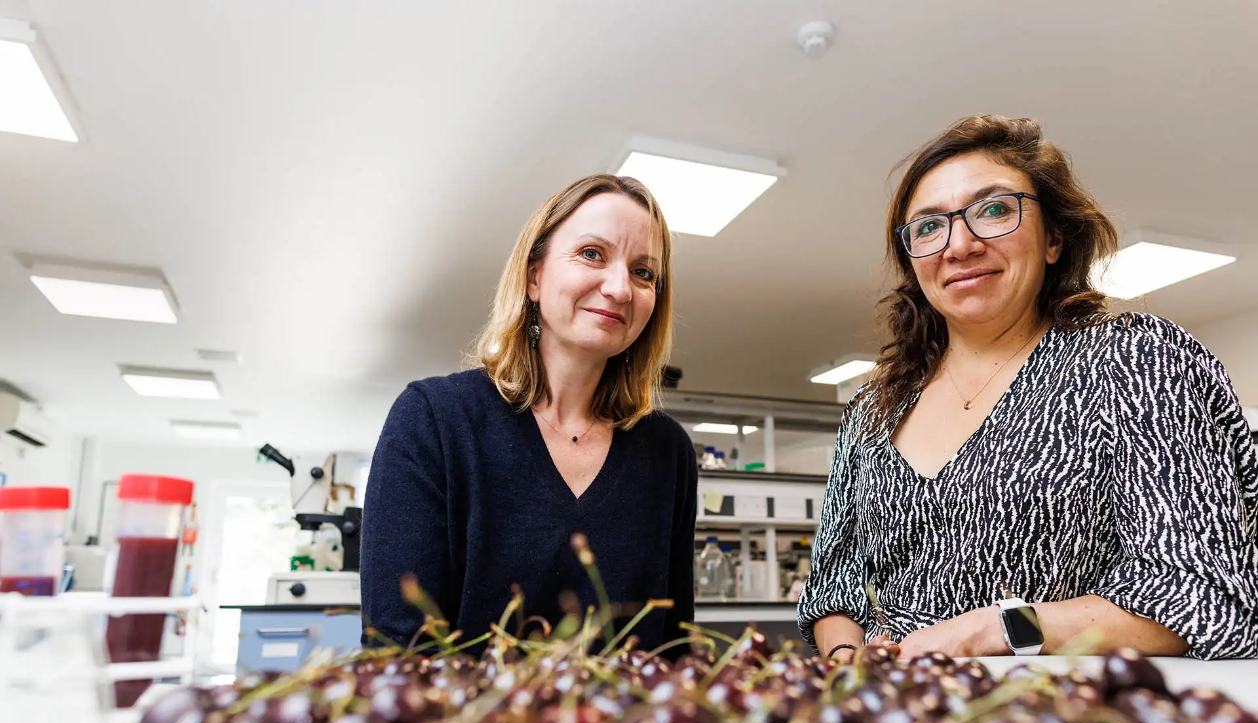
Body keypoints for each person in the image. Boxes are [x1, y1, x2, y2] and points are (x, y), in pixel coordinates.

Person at [799, 115, 1258, 662]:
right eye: (928, 227)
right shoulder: (872, 410)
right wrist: (846, 660)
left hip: (1070, 722)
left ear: (1055, 238)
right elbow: (832, 583)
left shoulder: (1137, 360)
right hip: (902, 716)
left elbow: (1208, 595)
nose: (960, 245)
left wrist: (1005, 627)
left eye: (994, 210)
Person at [360, 174, 696, 653]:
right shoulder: (433, 420)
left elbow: (673, 646)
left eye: (644, 273)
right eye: (592, 254)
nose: (621, 288)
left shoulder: (667, 451)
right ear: (534, 275)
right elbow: (398, 648)